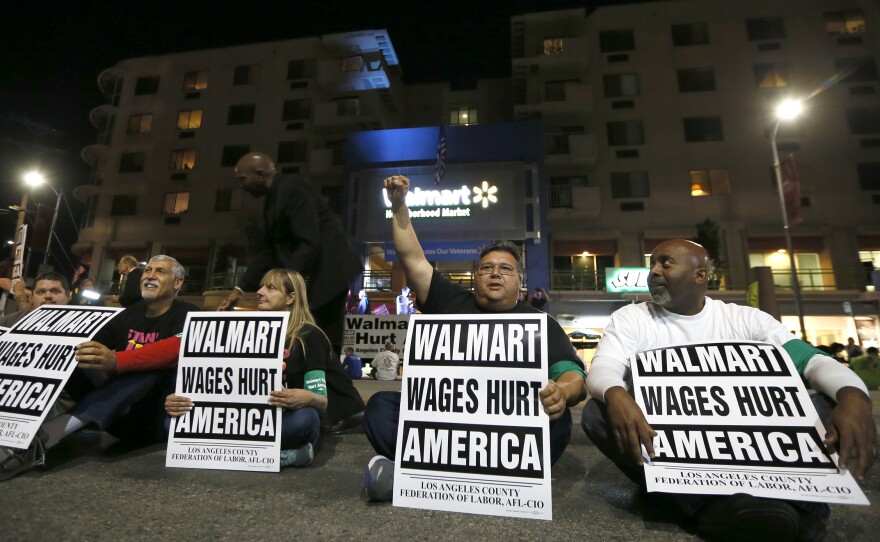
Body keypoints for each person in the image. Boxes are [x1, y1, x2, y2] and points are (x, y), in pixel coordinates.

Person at [582, 239, 875, 542]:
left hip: (752, 446)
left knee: (827, 401)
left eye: (665, 263)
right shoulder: (632, 318)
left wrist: (854, 397)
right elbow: (604, 368)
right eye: (651, 264)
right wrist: (616, 393)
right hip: (676, 447)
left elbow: (812, 361)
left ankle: (753, 510)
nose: (654, 271)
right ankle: (767, 513)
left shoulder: (746, 320)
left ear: (700, 275)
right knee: (598, 412)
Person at [362, 175, 587, 501]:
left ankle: (430, 477)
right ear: (474, 277)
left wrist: (561, 392)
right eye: (486, 268)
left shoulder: (541, 324)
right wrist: (398, 206)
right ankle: (460, 476)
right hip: (443, 427)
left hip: (505, 437)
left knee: (559, 419)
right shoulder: (449, 300)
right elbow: (411, 256)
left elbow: (572, 374)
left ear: (520, 284)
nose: (495, 273)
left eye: (506, 269)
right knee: (381, 406)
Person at [0, 256, 198, 481]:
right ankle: (25, 425)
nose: (150, 275)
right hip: (119, 418)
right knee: (80, 354)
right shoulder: (126, 315)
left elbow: (175, 349)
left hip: (158, 417)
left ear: (178, 282)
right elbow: (85, 344)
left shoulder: (192, 316)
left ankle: (48, 436)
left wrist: (116, 361)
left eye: (160, 271)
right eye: (147, 270)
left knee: (145, 367)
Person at [167, 269, 365, 466]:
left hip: (284, 416)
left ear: (291, 298)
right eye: (261, 286)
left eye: (270, 288)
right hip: (245, 418)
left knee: (306, 419)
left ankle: (236, 449)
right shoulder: (245, 330)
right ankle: (278, 452)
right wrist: (181, 398)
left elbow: (321, 400)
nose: (260, 292)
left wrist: (305, 397)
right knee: (171, 422)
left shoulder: (309, 335)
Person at [216, 152, 362, 355]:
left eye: (243, 179)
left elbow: (308, 242)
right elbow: (268, 251)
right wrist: (239, 289)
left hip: (329, 275)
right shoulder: (273, 198)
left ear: (260, 175)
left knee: (321, 340)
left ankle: (329, 383)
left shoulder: (292, 190)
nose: (242, 185)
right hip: (314, 276)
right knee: (307, 340)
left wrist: (283, 283)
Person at [0, 272, 72, 327]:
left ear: (68, 296)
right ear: (31, 298)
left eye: (55, 291)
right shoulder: (9, 322)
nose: (48, 296)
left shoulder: (82, 323)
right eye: (41, 292)